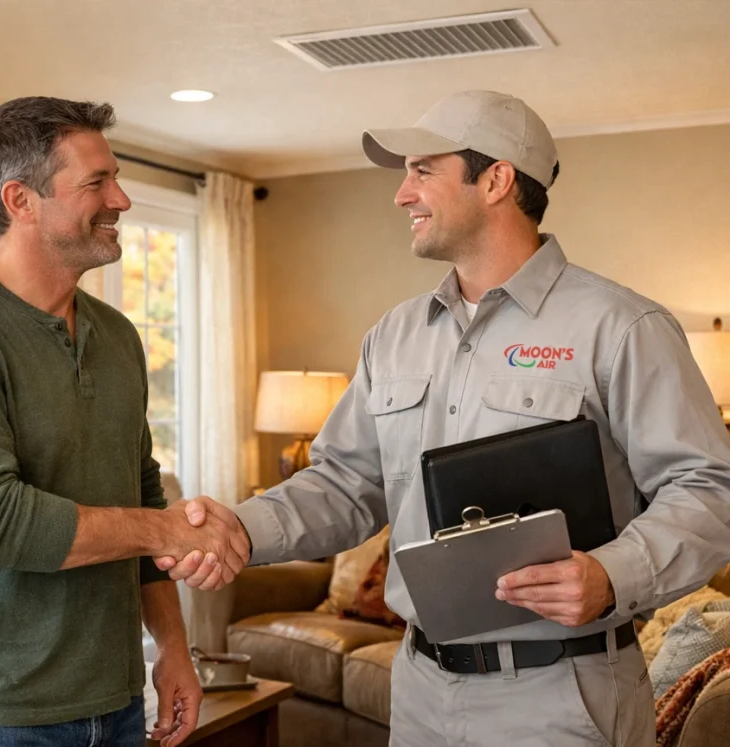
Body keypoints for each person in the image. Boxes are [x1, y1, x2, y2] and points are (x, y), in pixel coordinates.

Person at [159, 90, 730, 745]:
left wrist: (611, 575)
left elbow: (709, 490)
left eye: (422, 169)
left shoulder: (623, 327)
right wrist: (240, 526)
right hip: (421, 690)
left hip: (562, 698)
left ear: (496, 179)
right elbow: (345, 483)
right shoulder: (393, 335)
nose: (402, 194)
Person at [0, 96, 249, 747]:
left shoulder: (116, 337)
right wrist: (165, 527)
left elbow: (140, 491)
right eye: (97, 182)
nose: (122, 199)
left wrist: (172, 646)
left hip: (113, 701)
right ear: (21, 200)